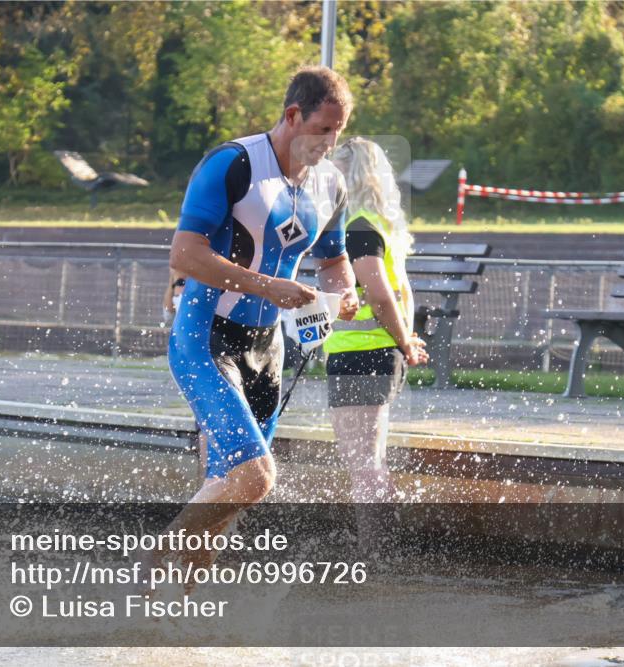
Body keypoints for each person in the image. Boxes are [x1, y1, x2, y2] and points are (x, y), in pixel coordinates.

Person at [160, 66, 359, 580]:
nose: (330, 143)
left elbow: (334, 260)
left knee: (227, 496)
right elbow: (184, 255)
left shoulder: (331, 184)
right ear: (293, 115)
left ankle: (175, 610)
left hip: (267, 350)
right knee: (255, 477)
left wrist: (343, 293)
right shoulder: (235, 163)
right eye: (323, 129)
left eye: (339, 132)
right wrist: (269, 287)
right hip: (207, 336)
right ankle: (154, 559)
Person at [324, 137, 429, 502]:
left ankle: (374, 539)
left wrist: (405, 342)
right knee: (373, 465)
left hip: (359, 355)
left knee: (364, 470)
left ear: (353, 177)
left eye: (336, 173)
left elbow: (381, 296)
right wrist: (405, 340)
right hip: (377, 353)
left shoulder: (358, 228)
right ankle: (385, 535)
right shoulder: (379, 224)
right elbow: (402, 291)